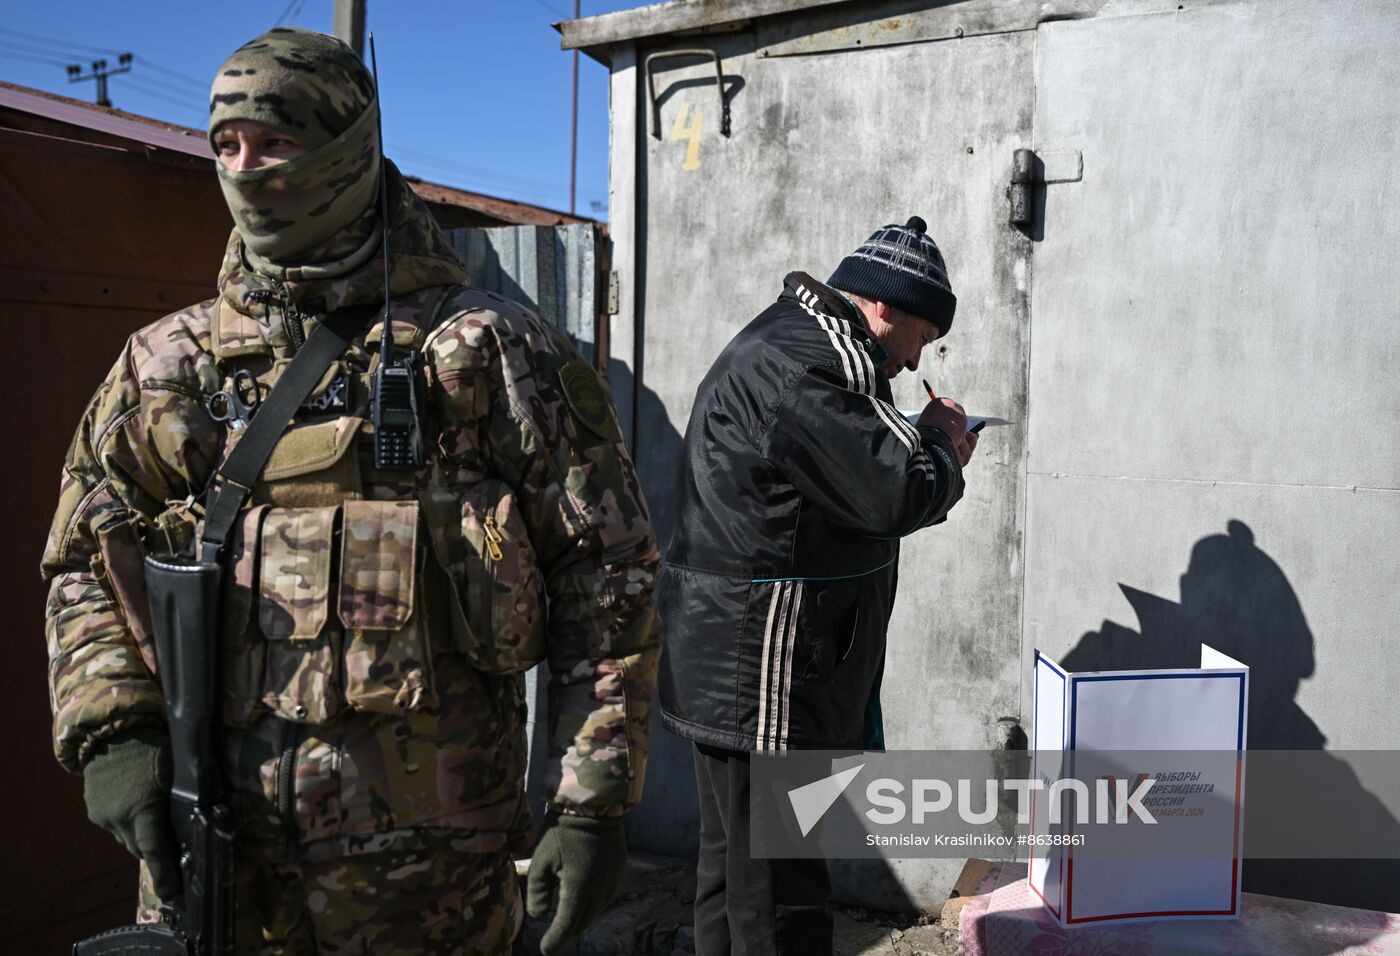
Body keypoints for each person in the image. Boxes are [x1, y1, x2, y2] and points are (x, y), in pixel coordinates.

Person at [41, 27, 660, 954]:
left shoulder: (486, 350)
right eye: (226, 146)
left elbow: (607, 573)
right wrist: (114, 732)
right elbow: (85, 556)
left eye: (278, 142)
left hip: (430, 878)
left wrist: (592, 801)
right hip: (216, 855)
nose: (248, 170)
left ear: (349, 149)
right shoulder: (166, 365)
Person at [655, 217, 977, 955]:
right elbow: (897, 492)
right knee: (781, 897)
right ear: (885, 307)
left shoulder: (789, 341)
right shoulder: (816, 364)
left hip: (734, 668)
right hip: (766, 678)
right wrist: (942, 443)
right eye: (921, 338)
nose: (913, 359)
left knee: (733, 878)